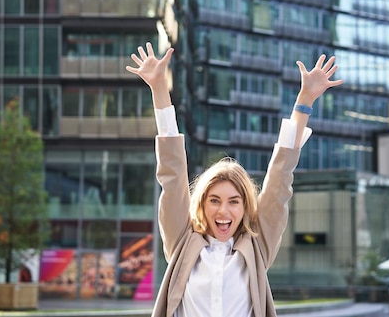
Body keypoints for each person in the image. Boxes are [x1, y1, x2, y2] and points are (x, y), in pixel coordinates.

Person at [126, 42, 343, 317]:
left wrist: (305, 102)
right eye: (214, 200)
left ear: (245, 207)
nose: (223, 210)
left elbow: (279, 180)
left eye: (234, 201)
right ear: (202, 204)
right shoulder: (183, 242)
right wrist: (158, 88)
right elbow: (172, 174)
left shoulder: (257, 247)